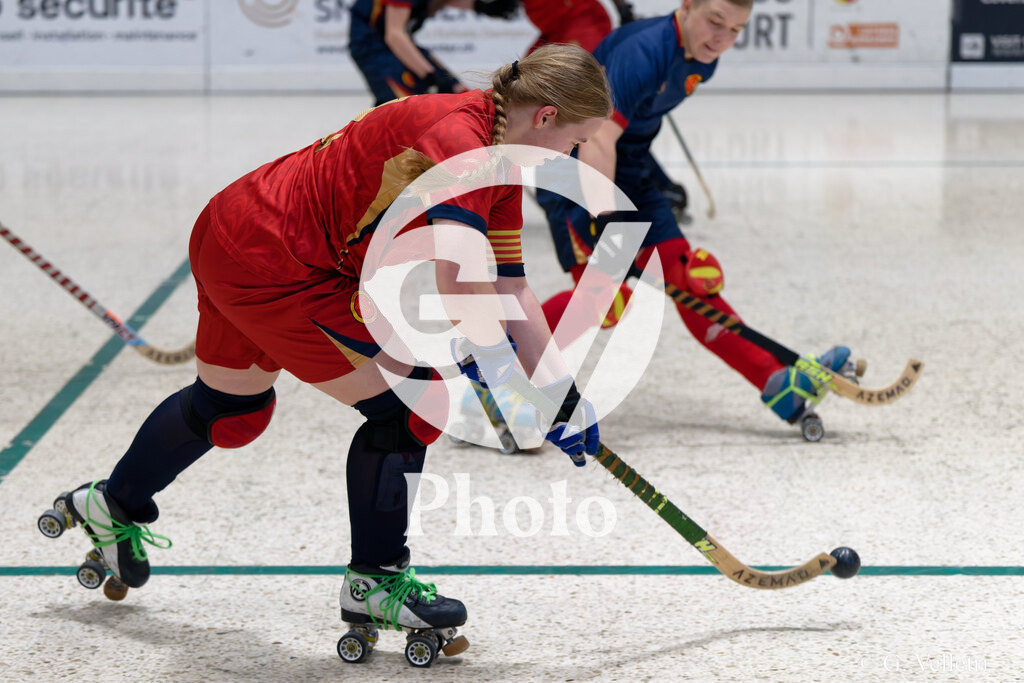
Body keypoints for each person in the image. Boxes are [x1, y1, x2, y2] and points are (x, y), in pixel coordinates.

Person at [46, 45, 610, 664]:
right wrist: (516, 386)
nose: (575, 157)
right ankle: (376, 579)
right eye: (578, 142)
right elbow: (460, 291)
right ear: (547, 117)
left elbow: (508, 286)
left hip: (237, 227)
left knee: (231, 410)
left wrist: (562, 392)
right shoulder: (461, 144)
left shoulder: (500, 153)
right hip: (278, 263)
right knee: (413, 408)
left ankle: (111, 503)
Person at [536, 0, 857, 433]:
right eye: (715, 21)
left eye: (736, 31)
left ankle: (778, 381)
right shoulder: (643, 52)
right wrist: (609, 224)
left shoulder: (701, 60)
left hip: (631, 172)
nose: (722, 38)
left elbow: (630, 135)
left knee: (691, 279)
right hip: (576, 171)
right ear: (686, 7)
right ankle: (497, 368)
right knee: (601, 298)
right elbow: (596, 141)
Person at [348, 0, 470, 106]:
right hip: (373, 47)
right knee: (404, 106)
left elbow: (433, 5)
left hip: (399, 41)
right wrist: (430, 76)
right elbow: (394, 36)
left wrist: (481, 6)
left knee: (459, 91)